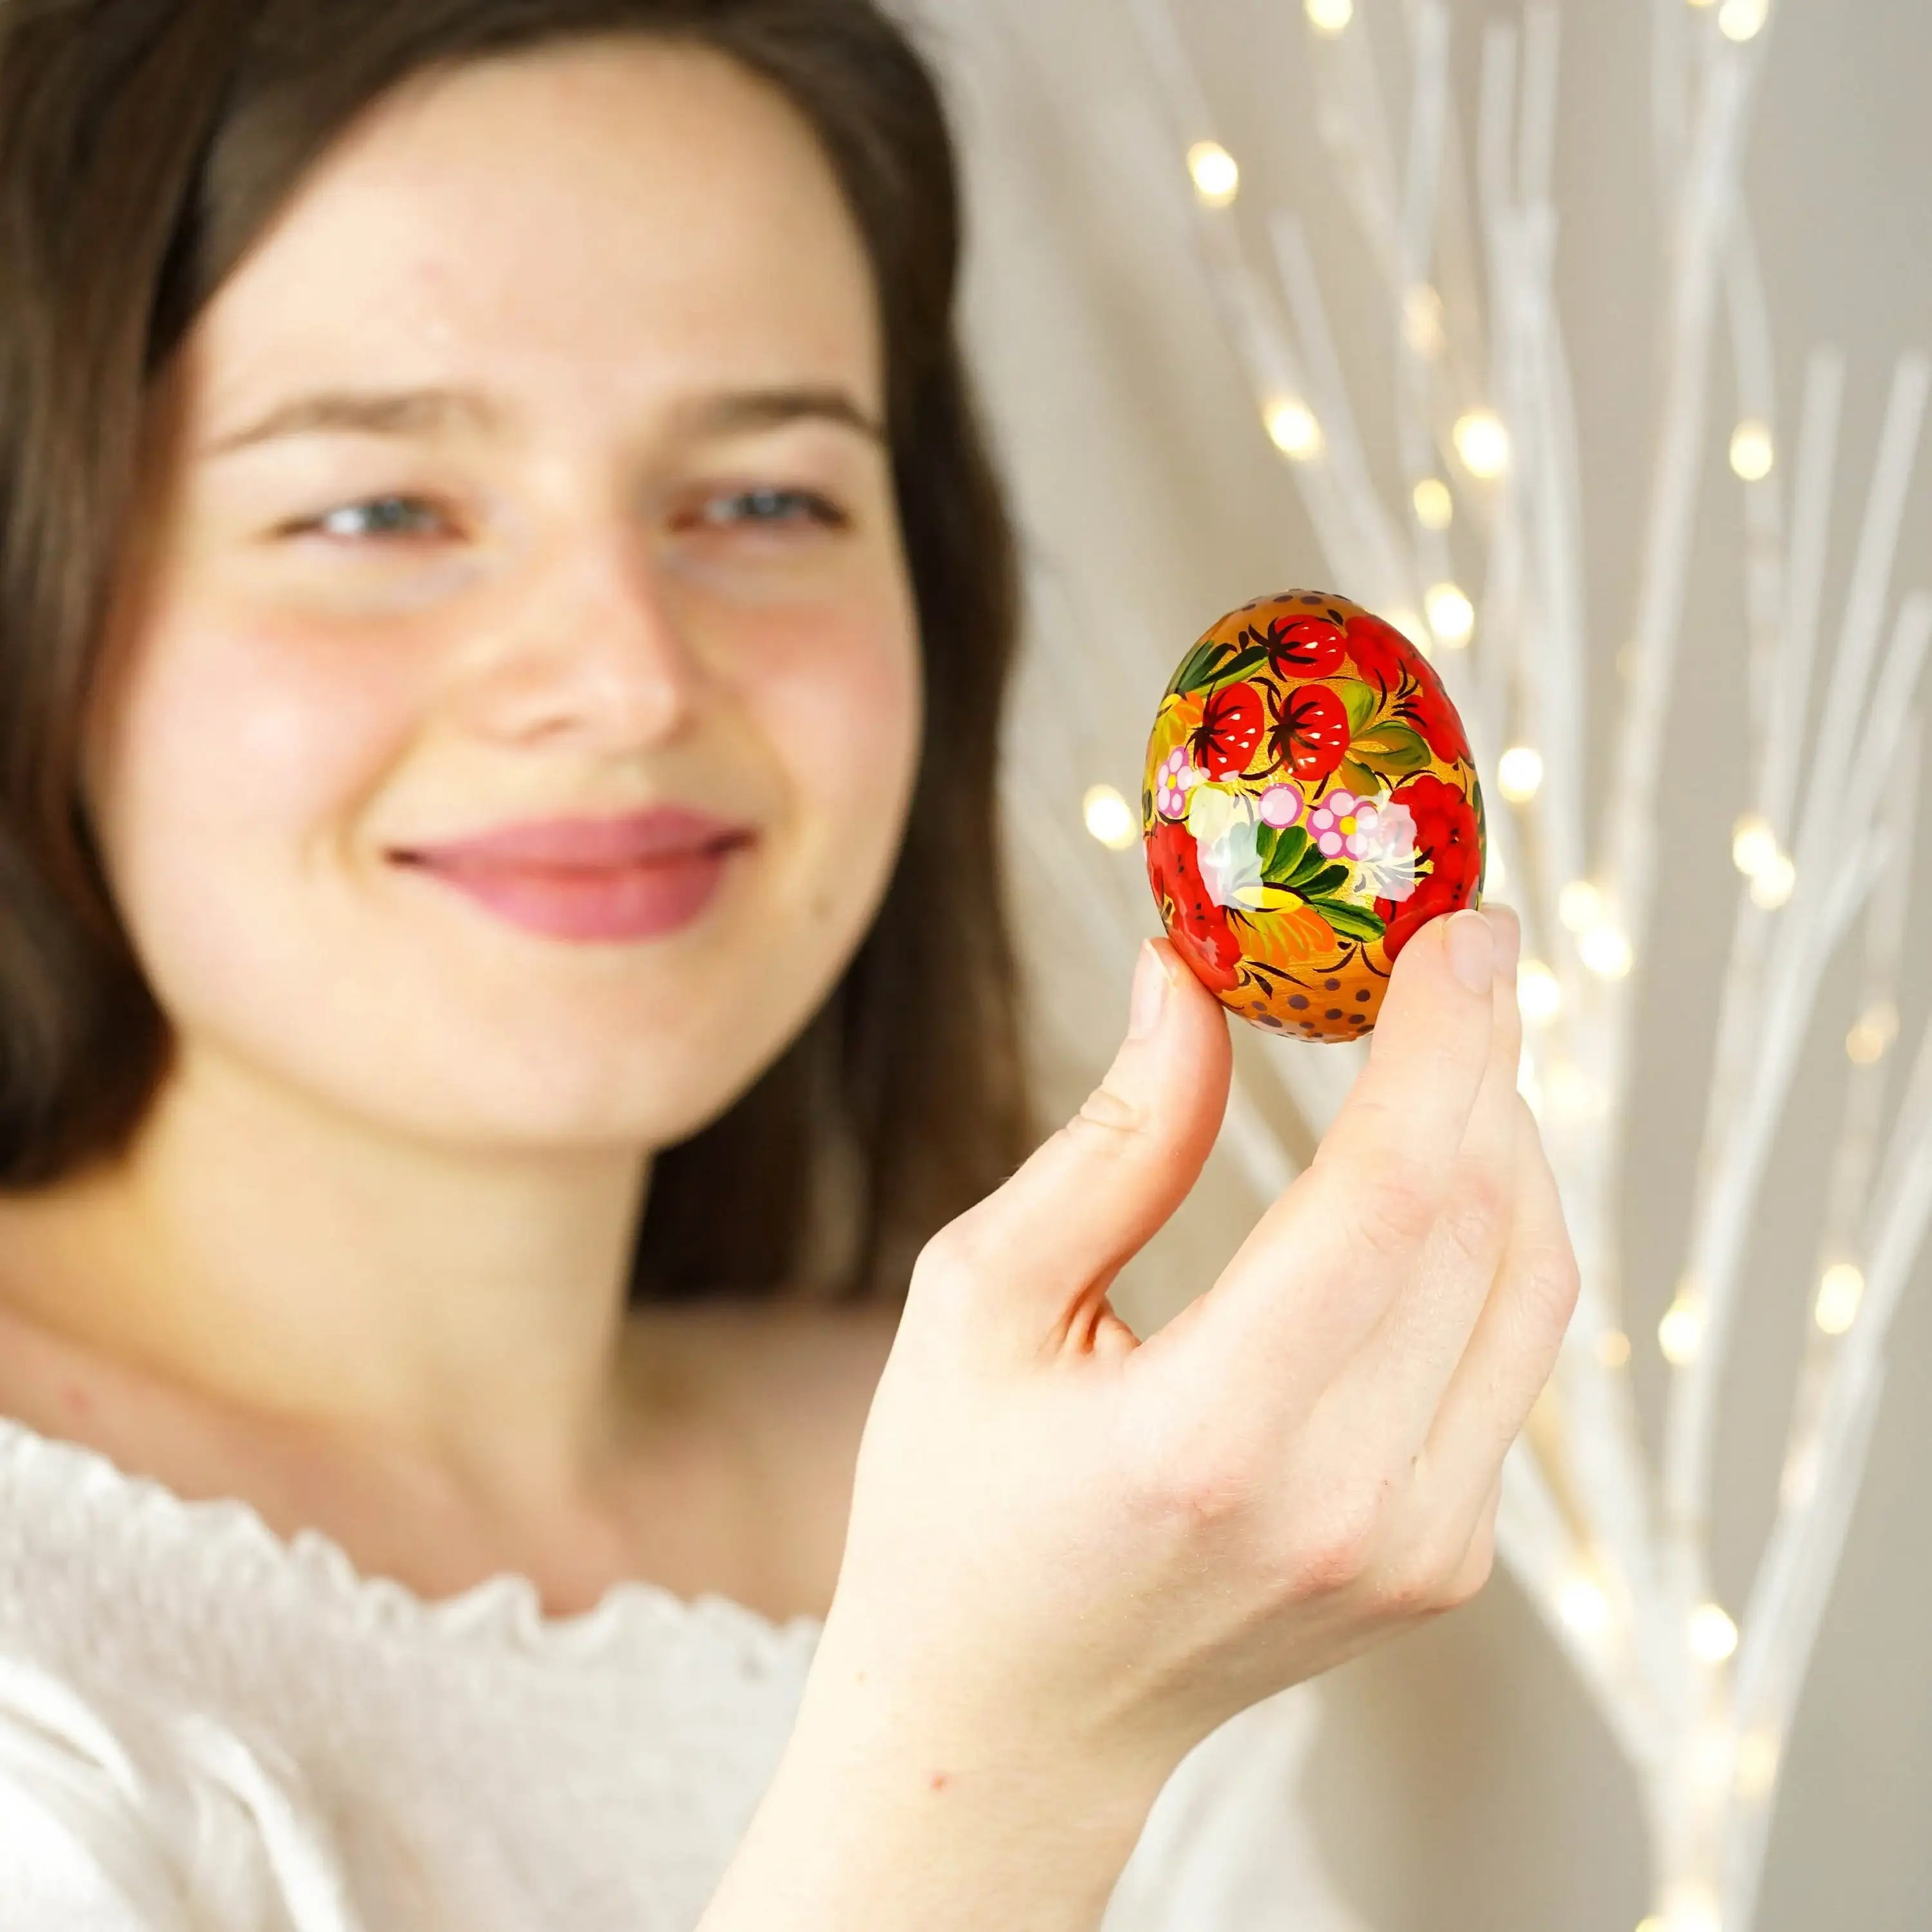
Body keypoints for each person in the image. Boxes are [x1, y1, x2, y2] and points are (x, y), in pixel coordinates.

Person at [0, 1, 1578, 1926]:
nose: (630, 673)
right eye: (378, 509)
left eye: (764, 498)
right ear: (48, 595)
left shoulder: (1075, 1485)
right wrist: (1003, 1765)